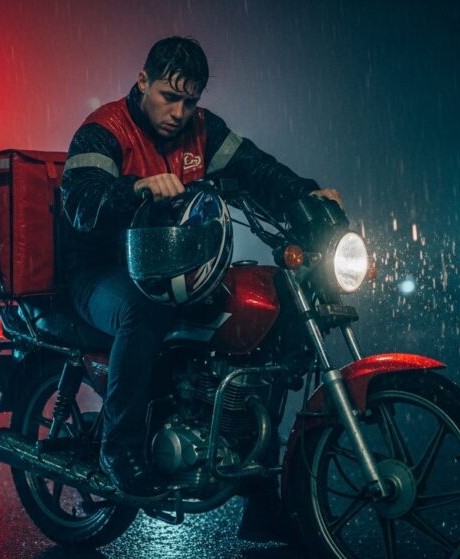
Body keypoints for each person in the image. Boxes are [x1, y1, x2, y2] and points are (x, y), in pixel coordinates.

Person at [59, 36, 342, 541]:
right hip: (97, 273)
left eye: (189, 100)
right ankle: (118, 448)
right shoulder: (103, 131)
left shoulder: (203, 131)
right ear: (143, 81)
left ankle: (260, 493)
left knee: (262, 311)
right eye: (169, 96)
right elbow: (80, 203)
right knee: (140, 315)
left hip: (174, 272)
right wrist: (136, 189)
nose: (178, 112)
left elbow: (257, 171)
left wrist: (305, 194)